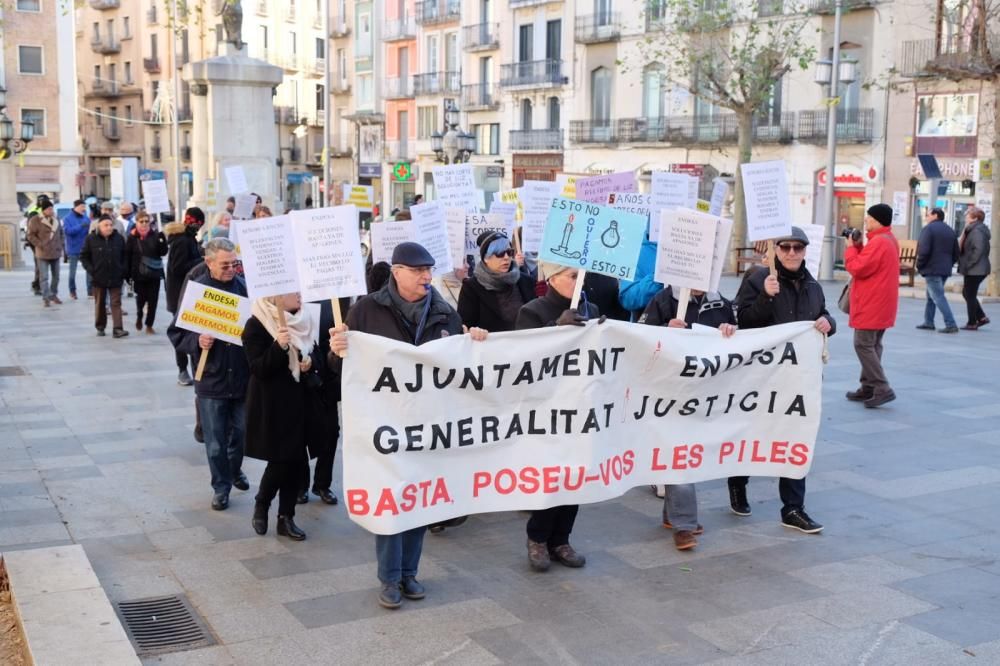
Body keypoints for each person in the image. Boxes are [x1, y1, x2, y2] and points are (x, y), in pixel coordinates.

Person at [328, 242, 488, 610]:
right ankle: (389, 578)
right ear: (397, 272)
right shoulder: (366, 310)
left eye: (429, 270)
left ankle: (409, 573)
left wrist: (475, 340)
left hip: (425, 426)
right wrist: (337, 350)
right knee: (391, 501)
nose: (427, 278)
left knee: (419, 500)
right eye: (418, 271)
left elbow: (459, 362)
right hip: (382, 425)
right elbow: (339, 371)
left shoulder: (443, 312)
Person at [730, 226, 834, 534]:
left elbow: (825, 315)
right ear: (776, 250)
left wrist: (829, 322)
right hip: (760, 378)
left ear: (804, 251)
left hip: (798, 380)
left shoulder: (813, 286)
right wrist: (765, 296)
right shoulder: (758, 279)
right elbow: (742, 322)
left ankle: (793, 508)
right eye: (785, 247)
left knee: (795, 436)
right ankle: (737, 483)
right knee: (751, 433)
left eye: (797, 248)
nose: (791, 253)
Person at [515, 261, 600, 571]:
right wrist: (555, 328)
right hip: (546, 408)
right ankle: (537, 538)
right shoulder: (532, 311)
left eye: (581, 276)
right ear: (552, 278)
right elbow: (522, 358)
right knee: (551, 475)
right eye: (572, 276)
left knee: (575, 474)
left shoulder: (591, 307)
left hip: (580, 405)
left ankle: (561, 539)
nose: (579, 282)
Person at [640, 286, 737, 549]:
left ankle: (672, 515)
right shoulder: (662, 299)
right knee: (679, 454)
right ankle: (685, 523)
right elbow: (639, 337)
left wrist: (731, 331)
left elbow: (739, 336)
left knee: (686, 453)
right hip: (668, 391)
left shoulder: (721, 302)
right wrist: (663, 328)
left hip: (703, 393)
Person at [167, 238, 251, 510]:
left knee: (241, 434)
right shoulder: (197, 292)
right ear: (209, 263)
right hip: (211, 378)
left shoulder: (244, 289)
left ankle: (233, 468)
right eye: (225, 265)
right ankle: (221, 486)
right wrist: (197, 341)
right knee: (214, 441)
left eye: (234, 264)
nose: (231, 269)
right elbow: (177, 332)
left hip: (241, 375)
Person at [244, 292, 317, 541]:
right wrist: (279, 347)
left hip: (301, 403)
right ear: (275, 297)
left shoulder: (306, 319)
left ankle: (286, 517)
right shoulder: (256, 324)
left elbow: (312, 353)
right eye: (293, 291)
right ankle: (262, 503)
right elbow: (258, 368)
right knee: (280, 460)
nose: (299, 295)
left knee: (296, 461)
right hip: (272, 405)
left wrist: (309, 363)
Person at [844, 204, 900, 408]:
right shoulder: (887, 239)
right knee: (873, 344)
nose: (866, 221)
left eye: (868, 218)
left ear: (877, 220)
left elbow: (857, 267)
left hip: (872, 302)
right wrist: (858, 247)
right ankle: (868, 387)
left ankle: (882, 387)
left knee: (863, 344)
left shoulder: (879, 243)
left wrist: (851, 248)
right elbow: (869, 264)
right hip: (882, 302)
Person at [457, 231, 534, 332]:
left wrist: (543, 298)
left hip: (526, 345)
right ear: (486, 258)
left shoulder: (526, 281)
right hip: (490, 346)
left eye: (509, 252)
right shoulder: (471, 287)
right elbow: (464, 326)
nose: (506, 257)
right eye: (500, 253)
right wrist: (474, 331)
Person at [166, 208, 206, 386]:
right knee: (183, 333)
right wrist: (202, 260)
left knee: (192, 332)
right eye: (198, 223)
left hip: (190, 291)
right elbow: (178, 267)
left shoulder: (189, 238)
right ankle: (182, 369)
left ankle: (195, 368)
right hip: (180, 294)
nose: (198, 226)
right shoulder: (182, 240)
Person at [80, 215, 128, 337]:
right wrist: (92, 270)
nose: (109, 227)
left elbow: (125, 256)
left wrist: (123, 269)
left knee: (116, 302)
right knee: (100, 303)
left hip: (116, 275)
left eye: (110, 225)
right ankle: (100, 326)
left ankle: (118, 329)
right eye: (105, 225)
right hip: (99, 276)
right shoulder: (91, 238)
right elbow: (84, 256)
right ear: (99, 226)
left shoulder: (118, 238)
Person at [915, 207, 960, 333]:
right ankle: (928, 321)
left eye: (928, 215)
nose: (926, 217)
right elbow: (956, 252)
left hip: (932, 268)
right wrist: (949, 264)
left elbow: (923, 250)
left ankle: (951, 323)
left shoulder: (928, 229)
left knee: (938, 296)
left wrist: (919, 265)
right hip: (944, 269)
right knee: (931, 296)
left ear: (935, 215)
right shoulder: (950, 230)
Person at [125, 212, 168, 334]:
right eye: (141, 221)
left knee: (153, 300)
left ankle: (149, 324)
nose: (144, 224)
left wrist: (162, 239)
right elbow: (127, 256)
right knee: (141, 299)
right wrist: (127, 275)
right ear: (137, 222)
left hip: (154, 273)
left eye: (146, 221)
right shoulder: (132, 237)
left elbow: (163, 252)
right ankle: (139, 316)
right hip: (138, 274)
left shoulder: (156, 235)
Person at [958, 206, 991, 330]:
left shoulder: (977, 231)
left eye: (968, 215)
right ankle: (981, 317)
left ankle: (972, 322)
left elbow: (978, 250)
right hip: (976, 268)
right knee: (967, 293)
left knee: (969, 294)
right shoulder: (973, 229)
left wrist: (968, 264)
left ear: (975, 218)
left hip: (976, 269)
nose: (966, 216)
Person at [26, 201, 65, 307]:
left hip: (55, 252)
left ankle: (53, 294)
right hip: (42, 253)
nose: (51, 211)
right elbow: (30, 235)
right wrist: (40, 244)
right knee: (44, 277)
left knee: (56, 276)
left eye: (52, 209)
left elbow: (61, 233)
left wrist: (60, 245)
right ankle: (46, 297)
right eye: (49, 209)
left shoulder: (56, 219)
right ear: (43, 210)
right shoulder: (35, 220)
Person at [63, 200, 91, 300]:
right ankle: (72, 291)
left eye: (84, 207)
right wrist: (81, 226)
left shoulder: (86, 218)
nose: (84, 209)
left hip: (85, 249)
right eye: (82, 207)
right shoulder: (67, 219)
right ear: (76, 207)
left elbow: (90, 232)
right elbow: (68, 231)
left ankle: (90, 291)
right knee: (72, 272)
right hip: (73, 249)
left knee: (89, 270)